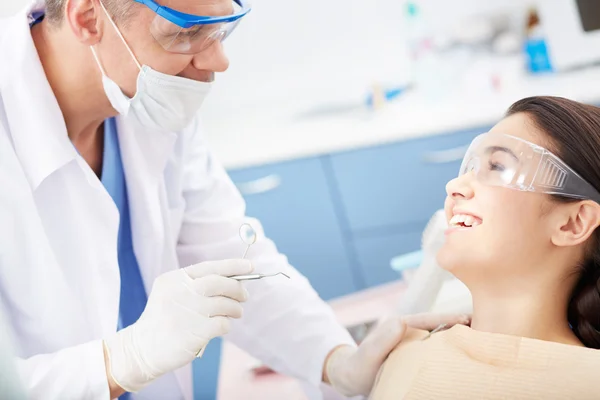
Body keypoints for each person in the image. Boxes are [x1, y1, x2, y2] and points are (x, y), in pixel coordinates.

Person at [0, 1, 466, 399]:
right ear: (87, 18)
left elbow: (235, 262)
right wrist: (118, 362)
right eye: (187, 31)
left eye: (223, 27)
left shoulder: (146, 101)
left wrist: (336, 360)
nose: (218, 61)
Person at [370, 96, 600, 399]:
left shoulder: (586, 384)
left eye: (498, 167)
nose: (454, 186)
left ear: (573, 223)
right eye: (471, 167)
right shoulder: (402, 353)